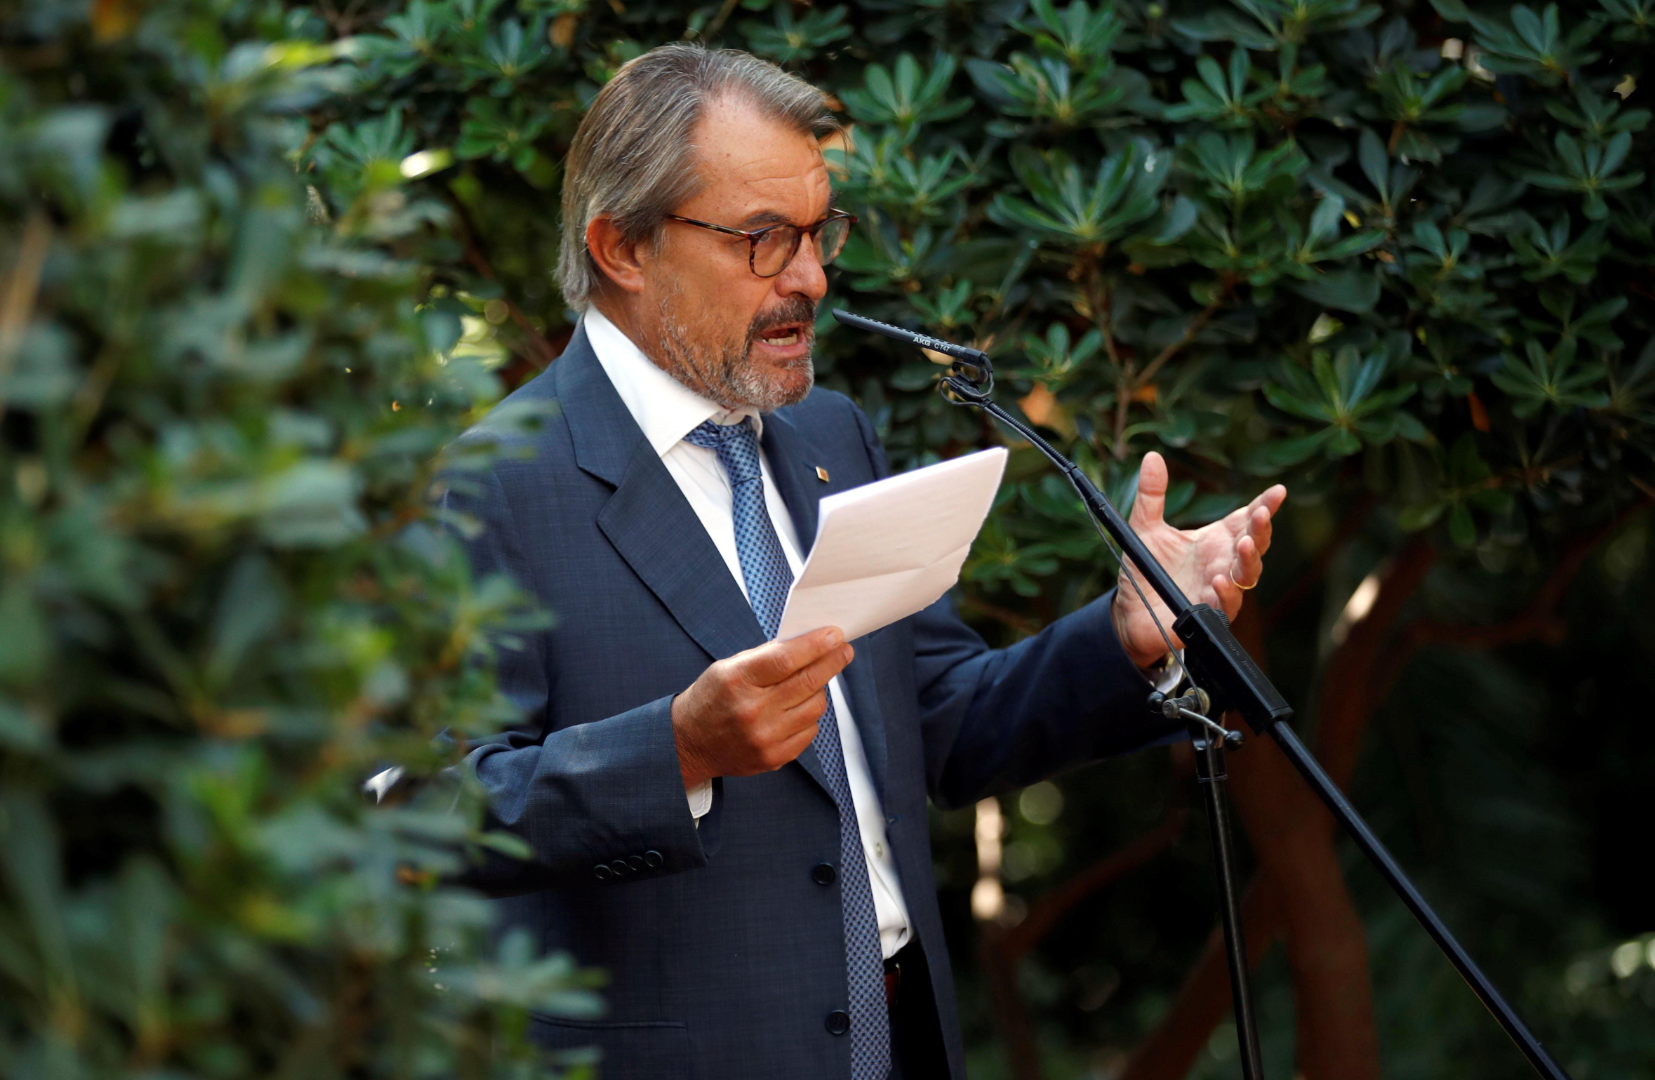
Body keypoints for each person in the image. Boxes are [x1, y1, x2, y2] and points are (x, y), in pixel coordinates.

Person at [445, 43, 1285, 1080]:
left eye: (817, 233)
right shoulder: (493, 486)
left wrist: (1124, 640)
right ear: (622, 247)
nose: (810, 278)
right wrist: (677, 752)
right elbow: (429, 810)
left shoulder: (830, 437)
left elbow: (934, 722)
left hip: (904, 1034)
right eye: (764, 239)